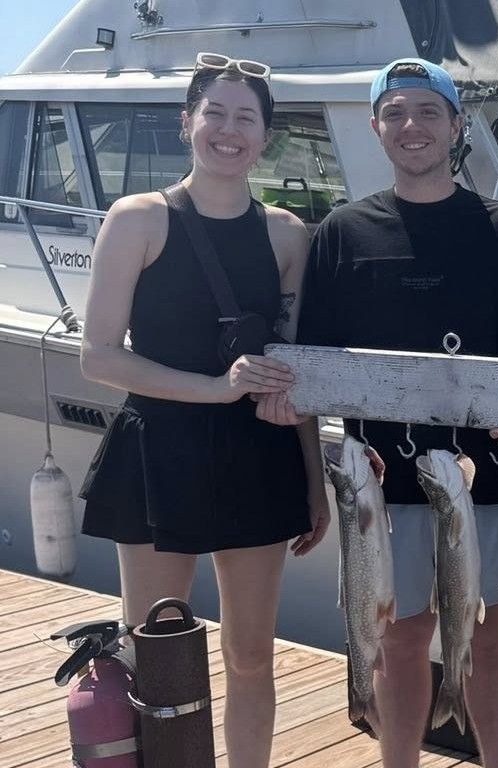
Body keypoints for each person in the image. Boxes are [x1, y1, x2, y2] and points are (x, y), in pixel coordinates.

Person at [263, 58, 498, 768]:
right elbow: (313, 365)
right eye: (395, 113)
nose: (411, 126)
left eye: (427, 111)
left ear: (455, 125)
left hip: (489, 477)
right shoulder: (342, 231)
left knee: (488, 638)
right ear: (375, 128)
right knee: (400, 637)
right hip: (381, 482)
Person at [77, 52, 323, 768]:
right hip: (160, 449)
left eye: (246, 117)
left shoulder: (287, 235)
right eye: (214, 112)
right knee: (157, 650)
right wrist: (216, 388)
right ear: (187, 122)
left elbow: (297, 373)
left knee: (250, 653)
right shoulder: (137, 219)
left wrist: (315, 483)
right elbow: (98, 356)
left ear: (266, 137)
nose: (228, 130)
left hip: (258, 455)